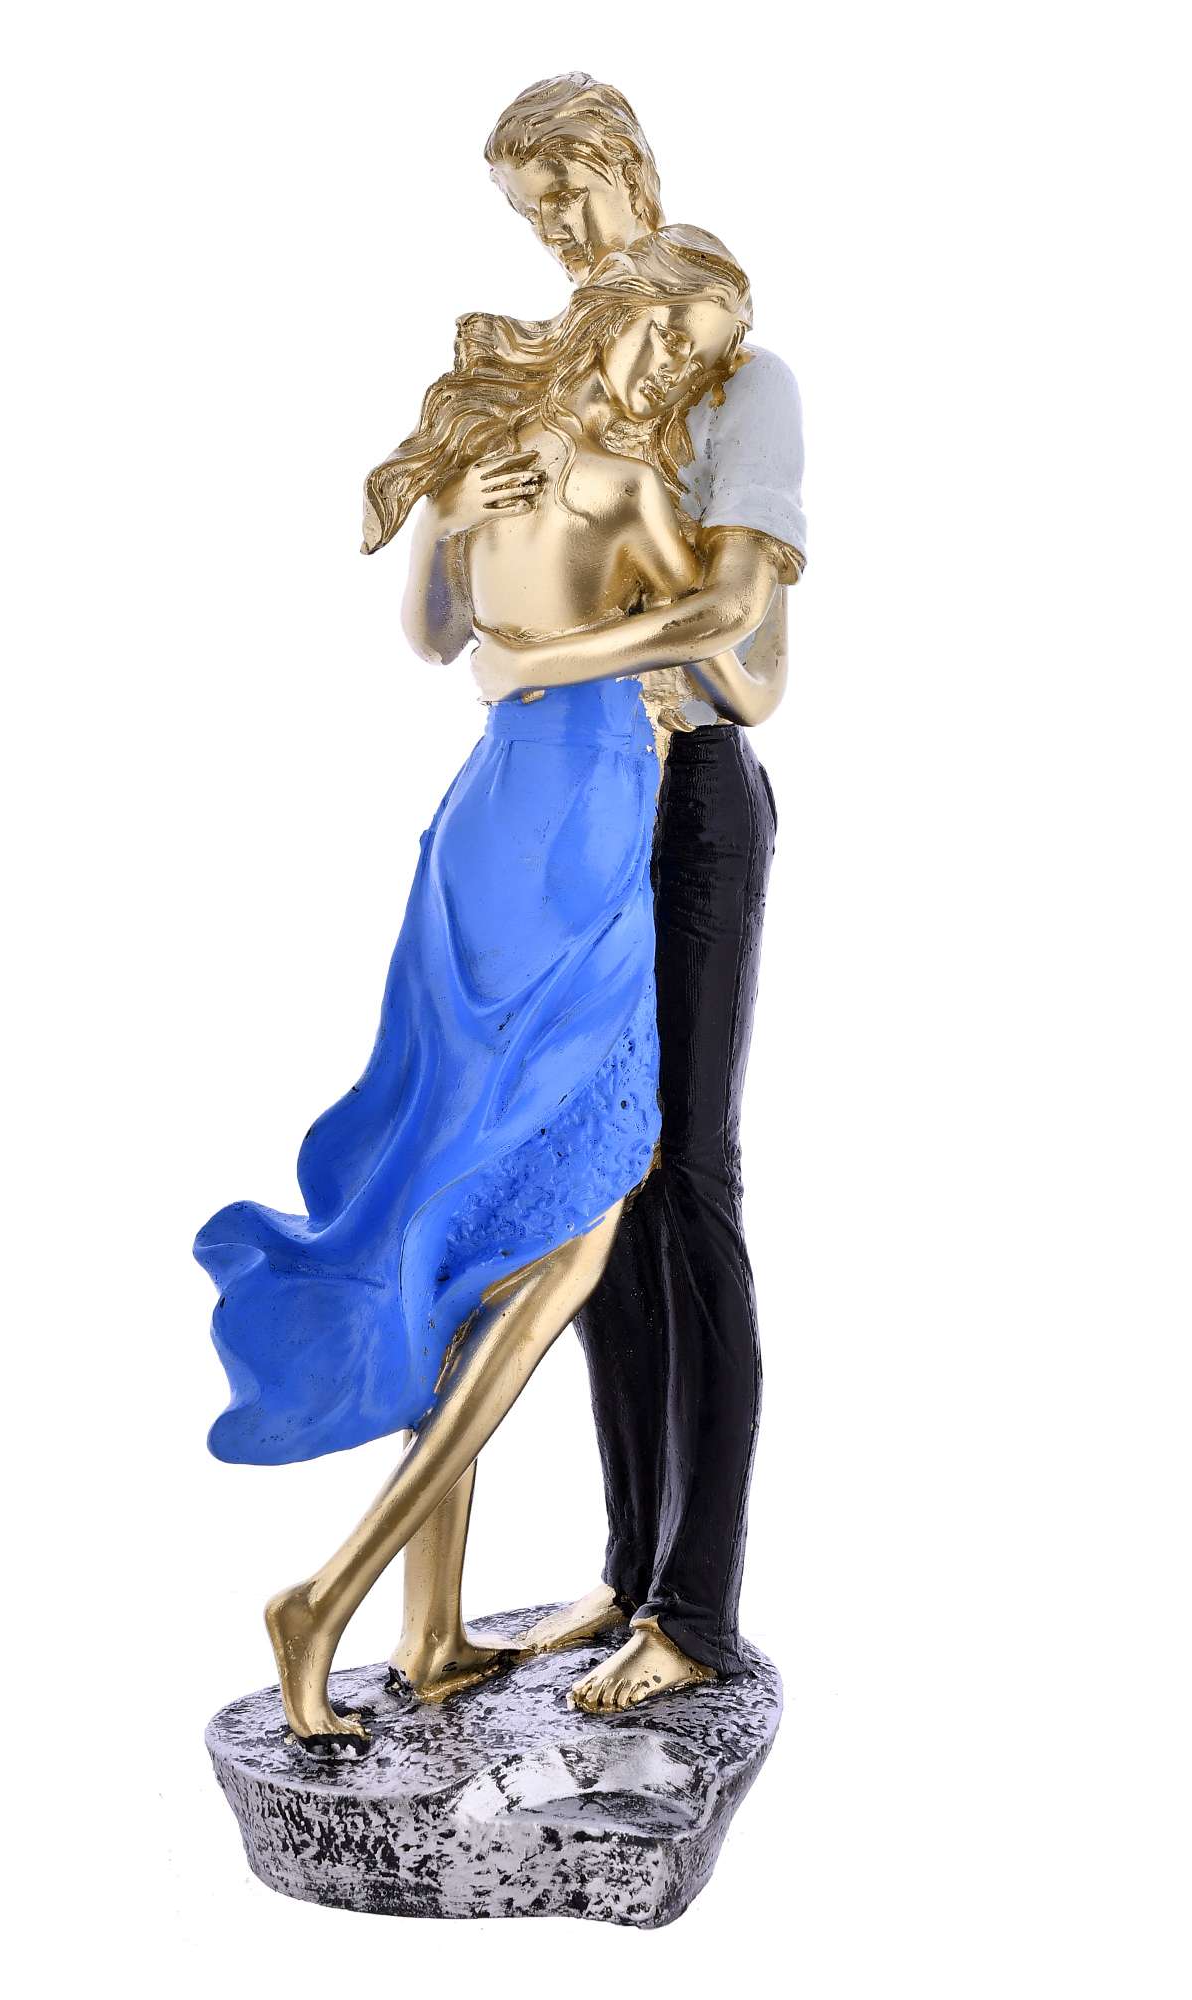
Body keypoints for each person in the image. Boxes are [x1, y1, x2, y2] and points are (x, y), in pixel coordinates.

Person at [195, 230, 759, 1749]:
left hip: (480, 819)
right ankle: (328, 1597)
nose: (676, 369)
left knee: (459, 1205)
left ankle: (431, 1627)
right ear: (619, 316)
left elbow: (438, 638)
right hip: (581, 828)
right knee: (576, 1234)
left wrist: (459, 539)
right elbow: (734, 657)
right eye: (669, 337)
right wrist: (581, 650)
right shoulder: (627, 484)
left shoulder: (488, 465)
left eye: (701, 356)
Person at [443, 74, 809, 1711]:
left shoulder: (738, 374)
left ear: (630, 169)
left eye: (568, 198)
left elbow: (746, 652)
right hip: (566, 809)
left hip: (687, 803)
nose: (556, 235)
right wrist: (460, 526)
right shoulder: (551, 379)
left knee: (689, 1184)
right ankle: (626, 1565)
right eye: (529, 215)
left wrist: (548, 660)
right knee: (597, 1181)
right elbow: (455, 619)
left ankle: (698, 1608)